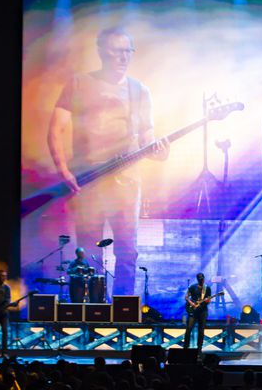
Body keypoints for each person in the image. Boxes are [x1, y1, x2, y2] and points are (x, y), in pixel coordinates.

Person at [48, 27, 169, 296]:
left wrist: (160, 150)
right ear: (102, 52)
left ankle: (122, 311)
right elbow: (55, 129)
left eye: (128, 51)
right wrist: (64, 170)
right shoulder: (79, 83)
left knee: (127, 250)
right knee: (89, 251)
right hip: (88, 182)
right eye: (117, 51)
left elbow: (148, 136)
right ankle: (89, 311)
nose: (123, 57)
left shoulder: (139, 90)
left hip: (126, 183)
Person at [184, 273, 212, 353]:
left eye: (202, 279)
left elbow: (209, 300)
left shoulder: (207, 288)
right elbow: (186, 297)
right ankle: (186, 348)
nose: (201, 280)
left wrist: (208, 300)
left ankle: (199, 349)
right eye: (200, 279)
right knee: (188, 329)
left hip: (203, 311)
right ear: (197, 279)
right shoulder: (193, 287)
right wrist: (191, 303)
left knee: (201, 330)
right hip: (193, 311)